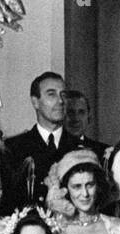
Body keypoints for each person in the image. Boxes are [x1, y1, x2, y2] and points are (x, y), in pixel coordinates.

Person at [5, 71, 85, 205]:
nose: (60, 101)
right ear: (35, 102)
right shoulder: (13, 148)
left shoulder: (81, 148)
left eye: (63, 95)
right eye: (51, 94)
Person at [63, 89, 108, 162]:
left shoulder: (104, 152)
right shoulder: (51, 150)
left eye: (81, 112)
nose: (76, 118)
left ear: (89, 118)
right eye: (70, 112)